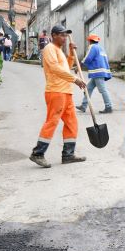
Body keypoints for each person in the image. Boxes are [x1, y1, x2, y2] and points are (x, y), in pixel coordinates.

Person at [29, 25, 87, 168]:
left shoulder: (59, 51)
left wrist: (72, 54)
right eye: (61, 35)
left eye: (66, 35)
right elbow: (55, 69)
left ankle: (68, 154)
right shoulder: (49, 49)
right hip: (55, 91)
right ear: (53, 35)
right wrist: (75, 79)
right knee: (52, 122)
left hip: (66, 92)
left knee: (72, 122)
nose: (64, 38)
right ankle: (37, 153)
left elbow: (65, 67)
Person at [76, 34, 113, 114]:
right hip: (101, 72)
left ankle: (108, 106)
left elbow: (88, 58)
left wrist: (79, 65)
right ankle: (83, 105)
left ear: (90, 41)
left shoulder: (92, 47)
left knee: (102, 90)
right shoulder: (101, 48)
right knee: (88, 88)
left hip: (97, 72)